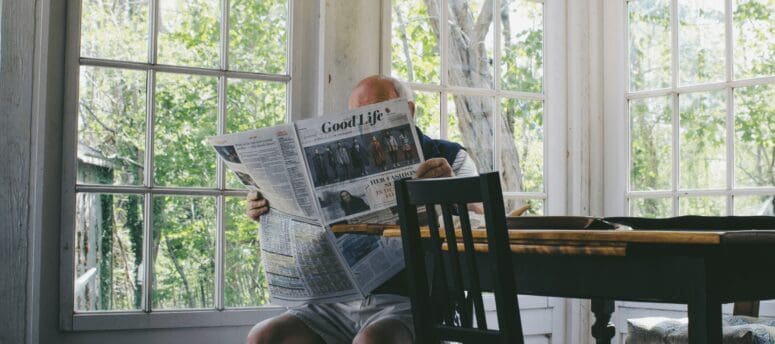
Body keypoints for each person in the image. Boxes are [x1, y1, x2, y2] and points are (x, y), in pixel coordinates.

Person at [245, 75, 479, 344]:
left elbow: (484, 219)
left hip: (408, 301)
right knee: (264, 336)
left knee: (372, 341)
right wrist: (267, 208)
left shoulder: (449, 156)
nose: (366, 125)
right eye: (358, 116)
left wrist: (450, 189)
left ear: (409, 110)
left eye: (376, 113)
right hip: (335, 300)